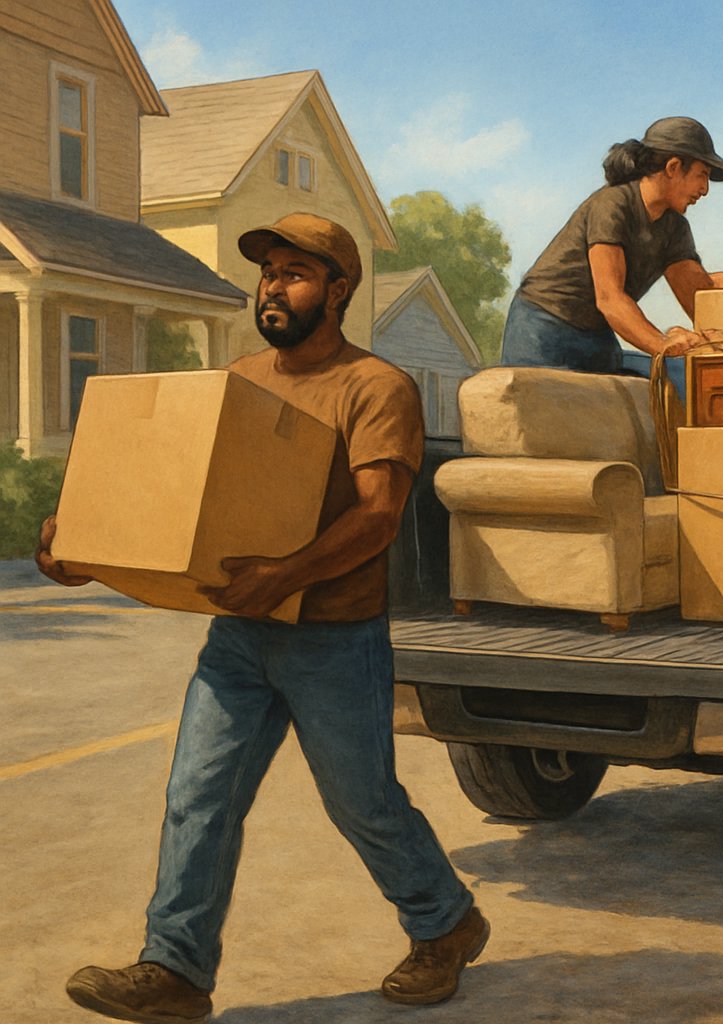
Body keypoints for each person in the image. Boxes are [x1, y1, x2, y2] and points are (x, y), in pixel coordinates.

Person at [37, 213, 487, 1023]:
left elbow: (380, 515)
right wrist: (86, 546)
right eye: (269, 271)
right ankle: (175, 970)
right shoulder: (241, 376)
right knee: (197, 796)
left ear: (340, 290)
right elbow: (179, 493)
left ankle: (446, 923)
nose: (273, 286)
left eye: (296, 273)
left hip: (335, 638)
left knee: (363, 803)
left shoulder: (376, 387)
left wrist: (288, 571)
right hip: (241, 633)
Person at [501, 115, 723, 391]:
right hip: (542, 333)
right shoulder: (612, 205)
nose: (705, 189)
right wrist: (662, 343)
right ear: (673, 168)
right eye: (702, 174)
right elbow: (610, 299)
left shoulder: (674, 227)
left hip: (597, 338)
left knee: (688, 380)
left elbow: (699, 289)